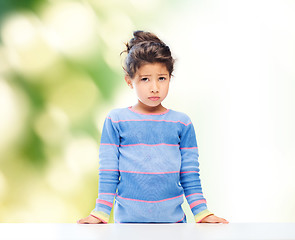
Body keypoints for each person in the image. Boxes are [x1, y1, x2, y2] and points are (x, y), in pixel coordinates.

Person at [77, 31, 228, 224]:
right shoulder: (116, 121)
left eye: (162, 78)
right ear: (129, 81)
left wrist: (202, 213)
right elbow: (109, 171)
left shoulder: (182, 123)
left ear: (170, 78)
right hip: (127, 228)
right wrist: (100, 214)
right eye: (145, 79)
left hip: (174, 228)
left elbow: (190, 174)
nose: (155, 87)